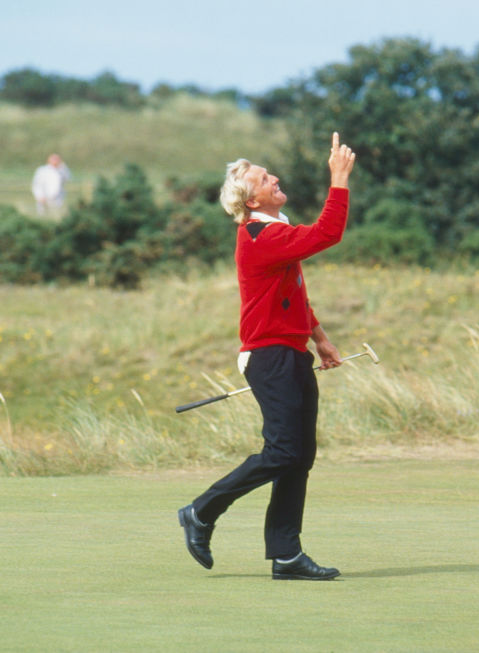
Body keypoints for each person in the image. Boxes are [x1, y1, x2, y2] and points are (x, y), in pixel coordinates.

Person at [177, 132, 356, 581]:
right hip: (269, 357)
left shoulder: (273, 234)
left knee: (299, 456)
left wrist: (320, 338)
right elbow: (328, 233)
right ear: (251, 198)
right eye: (263, 177)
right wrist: (338, 179)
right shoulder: (259, 235)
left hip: (291, 354)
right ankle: (201, 511)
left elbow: (293, 292)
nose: (273, 177)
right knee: (282, 451)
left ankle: (286, 554)